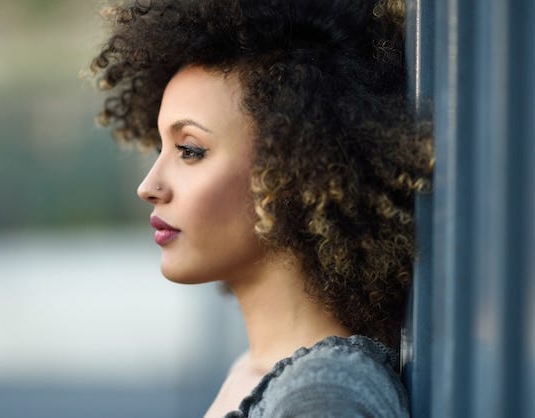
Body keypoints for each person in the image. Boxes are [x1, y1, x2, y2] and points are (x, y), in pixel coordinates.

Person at [90, 0, 433, 416]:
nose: (149, 187)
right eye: (162, 147)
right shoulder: (258, 375)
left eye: (190, 150)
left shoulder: (322, 399)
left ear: (296, 167)